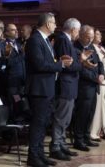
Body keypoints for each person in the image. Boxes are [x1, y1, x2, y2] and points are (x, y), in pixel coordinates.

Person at [25, 13, 73, 167]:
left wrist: (58, 62)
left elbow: (48, 62)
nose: (55, 26)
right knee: (38, 124)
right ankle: (33, 157)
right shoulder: (34, 40)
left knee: (44, 123)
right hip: (39, 90)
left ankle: (40, 154)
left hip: (47, 89)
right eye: (53, 23)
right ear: (47, 24)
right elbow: (39, 65)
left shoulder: (45, 40)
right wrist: (60, 65)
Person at [49, 18, 82, 161]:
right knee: (61, 117)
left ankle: (61, 143)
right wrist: (81, 64)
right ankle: (56, 146)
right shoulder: (63, 39)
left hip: (70, 85)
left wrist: (78, 62)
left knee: (66, 118)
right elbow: (67, 64)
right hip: (65, 84)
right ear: (73, 29)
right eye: (78, 31)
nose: (78, 34)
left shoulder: (67, 40)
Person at [73, 25, 105, 152]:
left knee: (90, 113)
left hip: (94, 87)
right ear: (81, 35)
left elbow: (100, 63)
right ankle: (79, 140)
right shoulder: (75, 47)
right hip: (84, 87)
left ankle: (86, 137)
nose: (90, 40)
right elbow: (81, 70)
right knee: (82, 114)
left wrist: (102, 73)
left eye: (92, 37)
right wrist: (95, 78)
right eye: (88, 37)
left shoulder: (91, 46)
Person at [90, 29, 105, 140]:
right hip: (100, 81)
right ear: (92, 36)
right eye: (97, 34)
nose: (100, 36)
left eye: (100, 34)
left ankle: (102, 130)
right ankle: (93, 132)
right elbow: (102, 62)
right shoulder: (92, 48)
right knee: (98, 108)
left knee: (104, 108)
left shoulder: (101, 48)